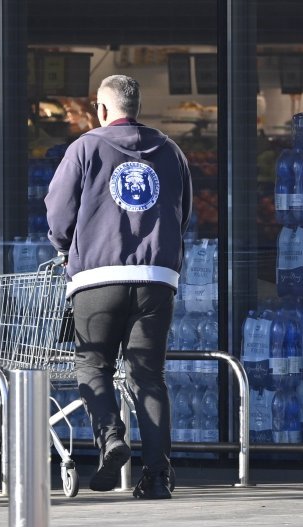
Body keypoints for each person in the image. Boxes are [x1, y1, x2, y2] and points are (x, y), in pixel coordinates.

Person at [45, 75, 193, 499]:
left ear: (102, 109)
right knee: (149, 377)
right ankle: (158, 477)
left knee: (94, 367)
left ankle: (111, 437)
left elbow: (58, 212)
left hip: (97, 279)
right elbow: (181, 213)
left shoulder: (85, 148)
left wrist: (65, 247)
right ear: (137, 106)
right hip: (156, 280)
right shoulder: (170, 150)